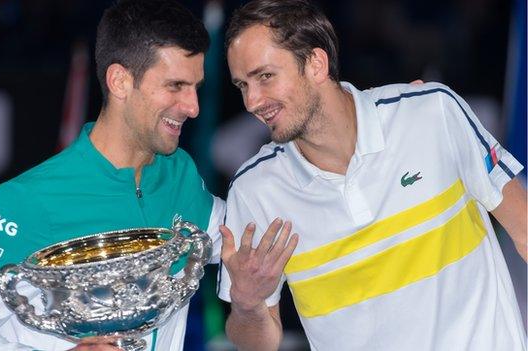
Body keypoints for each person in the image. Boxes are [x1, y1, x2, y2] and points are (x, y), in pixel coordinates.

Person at [217, 1, 527, 350]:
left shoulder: (431, 111)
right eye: (243, 85)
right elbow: (259, 343)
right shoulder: (253, 190)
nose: (252, 101)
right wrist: (247, 305)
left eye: (265, 77)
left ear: (316, 64)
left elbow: (525, 228)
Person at [0, 1, 226, 350]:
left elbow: (243, 238)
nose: (192, 107)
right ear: (120, 81)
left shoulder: (181, 174)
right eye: (175, 86)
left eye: (195, 87)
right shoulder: (27, 201)